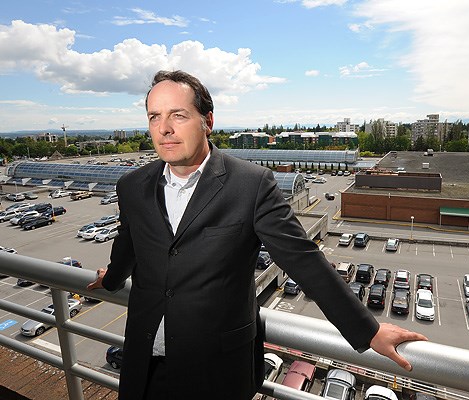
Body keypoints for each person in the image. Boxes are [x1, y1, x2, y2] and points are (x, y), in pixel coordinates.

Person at [87, 70, 427, 399]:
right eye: (154, 117)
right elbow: (129, 243)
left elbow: (302, 260)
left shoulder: (250, 184)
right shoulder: (132, 185)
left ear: (208, 121)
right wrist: (113, 278)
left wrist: (369, 331)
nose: (164, 129)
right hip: (144, 366)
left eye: (178, 115)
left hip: (215, 373)